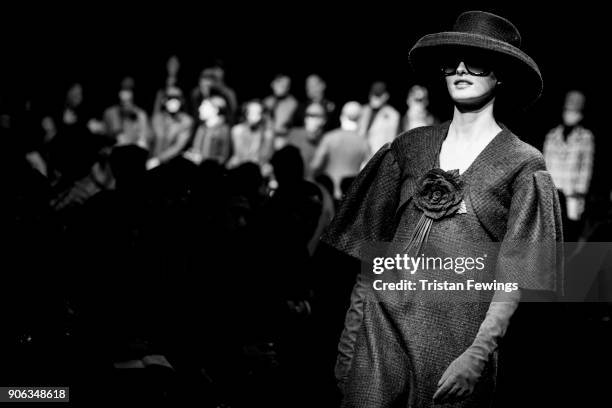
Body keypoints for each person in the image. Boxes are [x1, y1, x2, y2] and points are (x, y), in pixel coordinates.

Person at [323, 11, 563, 407]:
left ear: (500, 74)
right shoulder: (408, 147)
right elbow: (372, 254)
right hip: (380, 334)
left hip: (455, 340)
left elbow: (516, 275)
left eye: (478, 62)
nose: (461, 70)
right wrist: (350, 344)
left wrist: (478, 354)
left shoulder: (521, 162)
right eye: (452, 61)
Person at [543, 90, 594, 239]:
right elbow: (545, 163)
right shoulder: (552, 135)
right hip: (554, 189)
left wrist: (580, 190)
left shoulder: (585, 137)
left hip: (572, 192)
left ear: (580, 114)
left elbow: (586, 166)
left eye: (574, 111)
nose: (570, 114)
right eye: (567, 110)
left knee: (570, 230)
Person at [310, 101, 369, 200]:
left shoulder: (329, 138)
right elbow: (368, 171)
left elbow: (315, 165)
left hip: (327, 192)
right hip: (349, 194)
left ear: (342, 116)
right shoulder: (364, 142)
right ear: (360, 119)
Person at [148, 87, 193, 169]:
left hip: (172, 164)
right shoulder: (157, 118)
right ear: (164, 101)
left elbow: (178, 146)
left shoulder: (185, 121)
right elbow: (151, 139)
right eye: (170, 99)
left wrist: (158, 159)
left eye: (176, 100)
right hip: (152, 161)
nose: (173, 103)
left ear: (181, 102)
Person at [103, 77, 149, 148]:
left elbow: (143, 140)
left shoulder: (140, 114)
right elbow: (110, 134)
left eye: (129, 90)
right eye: (124, 89)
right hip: (116, 149)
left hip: (134, 149)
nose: (125, 94)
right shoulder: (111, 112)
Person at [227, 100, 274, 170]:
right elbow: (238, 154)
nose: (254, 116)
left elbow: (265, 156)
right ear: (246, 113)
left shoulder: (267, 134)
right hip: (240, 165)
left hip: (258, 167)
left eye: (257, 113)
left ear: (262, 114)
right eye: (251, 112)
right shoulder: (237, 130)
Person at [184, 96, 231, 165]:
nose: (200, 109)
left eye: (204, 107)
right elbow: (196, 150)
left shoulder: (224, 130)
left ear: (215, 110)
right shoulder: (201, 128)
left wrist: (203, 159)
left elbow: (223, 157)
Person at [358, 81, 400, 158]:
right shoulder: (362, 110)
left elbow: (391, 140)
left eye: (378, 95)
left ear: (386, 96)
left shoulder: (392, 115)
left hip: (377, 157)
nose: (375, 98)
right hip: (360, 156)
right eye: (373, 94)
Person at [286, 102, 327, 175]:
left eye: (315, 116)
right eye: (307, 115)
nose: (310, 119)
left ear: (324, 120)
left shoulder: (327, 139)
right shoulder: (294, 134)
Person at [263, 74, 299, 144]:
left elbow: (282, 124)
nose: (282, 87)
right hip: (266, 135)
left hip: (283, 137)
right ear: (272, 84)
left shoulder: (292, 103)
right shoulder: (267, 101)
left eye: (286, 85)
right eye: (279, 83)